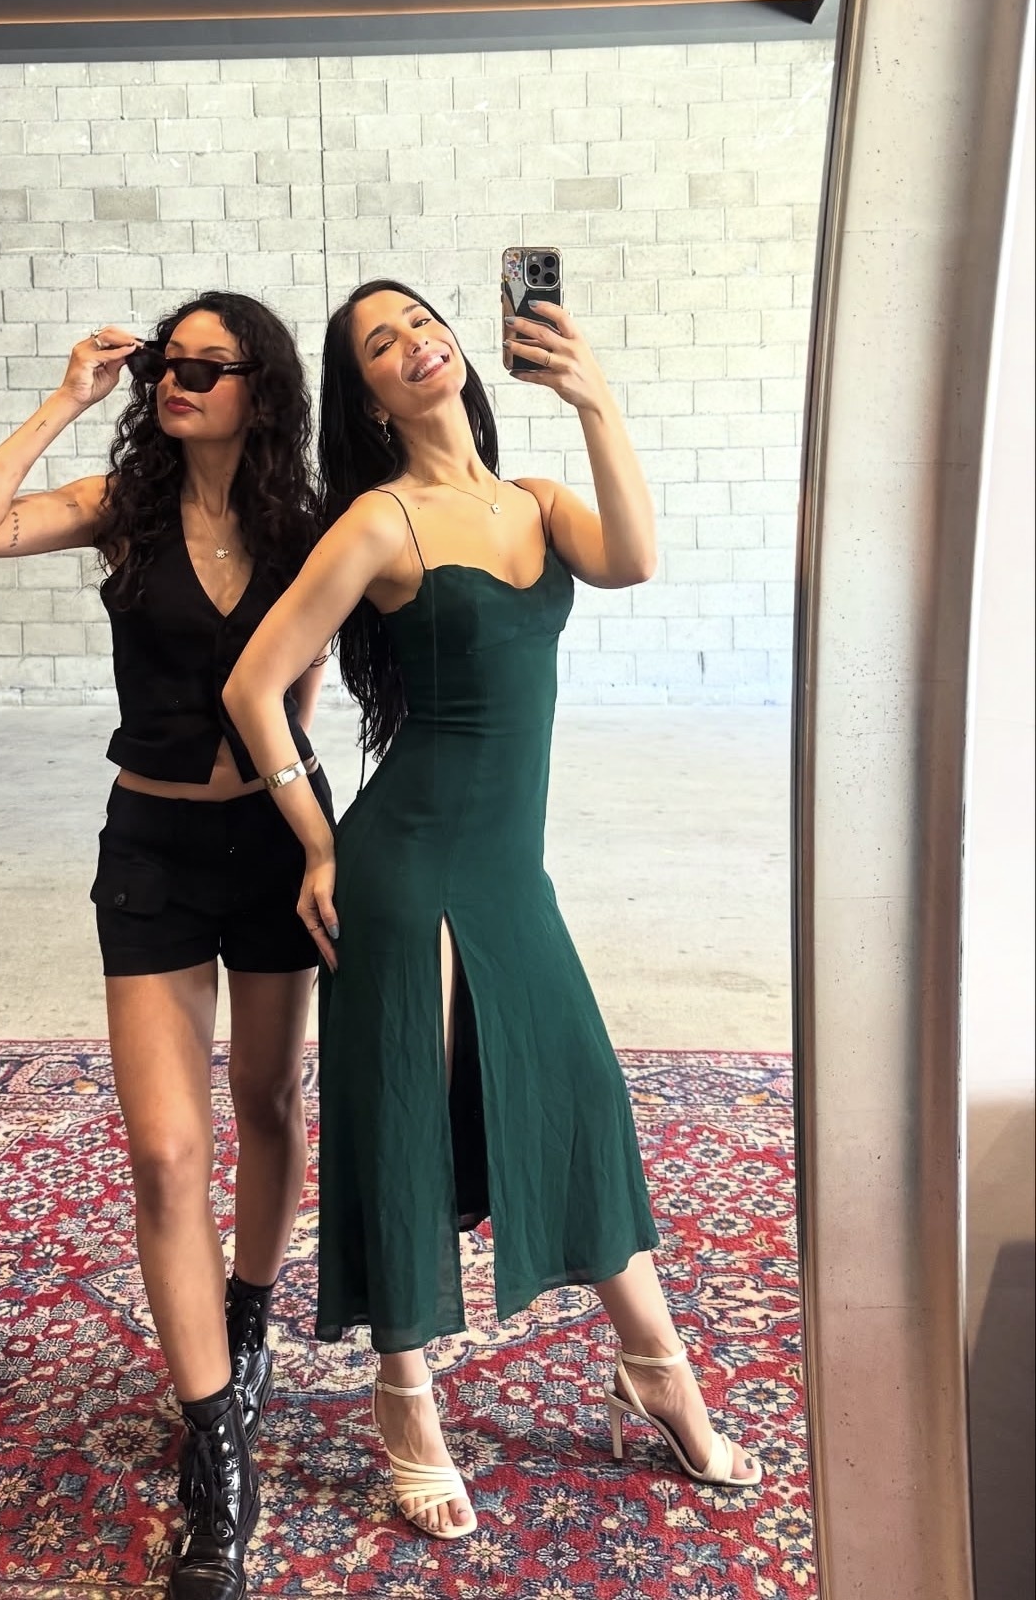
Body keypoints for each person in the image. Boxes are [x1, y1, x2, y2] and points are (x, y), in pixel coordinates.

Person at [222, 278, 762, 1543]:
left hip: (511, 871)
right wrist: (316, 840)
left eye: (423, 322)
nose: (415, 344)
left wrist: (592, 395)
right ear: (367, 395)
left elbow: (634, 559)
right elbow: (256, 687)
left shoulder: (539, 502)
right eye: (382, 343)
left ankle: (653, 1366)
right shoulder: (380, 519)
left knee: (579, 1101)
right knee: (406, 1120)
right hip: (407, 867)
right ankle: (405, 1401)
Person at [0, 292, 332, 1600]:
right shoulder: (125, 507)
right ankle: (216, 1456)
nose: (176, 380)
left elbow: (309, 688)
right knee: (164, 1149)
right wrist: (67, 399)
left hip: (273, 841)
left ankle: (250, 1314)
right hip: (151, 849)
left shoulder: (305, 523)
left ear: (260, 389)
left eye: (207, 366)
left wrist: (325, 838)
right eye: (167, 361)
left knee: (266, 1101)